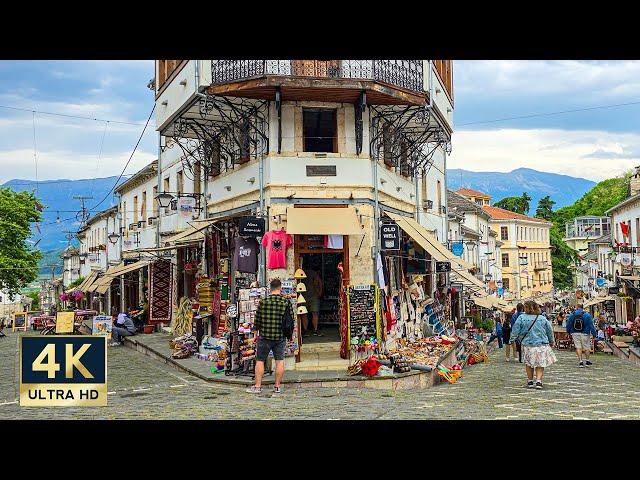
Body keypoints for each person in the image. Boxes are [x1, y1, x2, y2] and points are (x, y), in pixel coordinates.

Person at [246, 278, 293, 395]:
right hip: (280, 336)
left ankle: (257, 386)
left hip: (265, 336)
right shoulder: (286, 302)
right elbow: (290, 320)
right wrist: (289, 335)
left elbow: (257, 320)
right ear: (280, 288)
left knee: (260, 360)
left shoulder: (263, 301)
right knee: (279, 361)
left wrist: (255, 333)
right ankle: (277, 386)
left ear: (270, 288)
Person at [509, 300, 556, 389]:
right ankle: (538, 381)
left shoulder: (521, 318)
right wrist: (551, 341)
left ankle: (530, 381)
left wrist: (512, 339)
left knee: (529, 362)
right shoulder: (542, 318)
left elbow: (515, 329)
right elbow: (549, 330)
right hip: (541, 343)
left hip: (527, 343)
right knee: (540, 363)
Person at [566, 303, 597, 367]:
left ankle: (580, 361)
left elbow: (569, 324)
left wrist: (568, 332)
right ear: (583, 307)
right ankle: (587, 360)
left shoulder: (572, 315)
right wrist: (594, 334)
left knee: (578, 347)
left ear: (577, 307)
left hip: (575, 333)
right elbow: (591, 325)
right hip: (585, 333)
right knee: (586, 347)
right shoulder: (587, 315)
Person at [301, 269, 323, 336]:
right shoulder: (312, 272)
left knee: (309, 313)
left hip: (310, 296)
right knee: (312, 313)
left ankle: (309, 330)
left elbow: (319, 282)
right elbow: (319, 282)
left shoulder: (312, 272)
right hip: (306, 296)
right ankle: (312, 330)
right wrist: (320, 292)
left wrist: (320, 292)